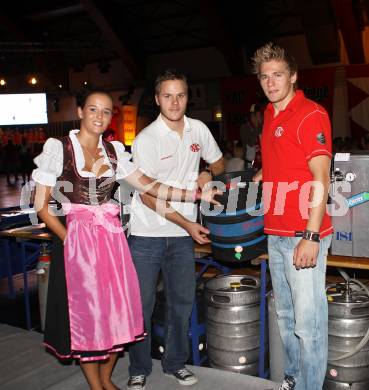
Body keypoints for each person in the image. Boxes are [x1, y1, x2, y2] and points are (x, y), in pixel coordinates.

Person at [32, 89, 220, 390]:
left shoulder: (114, 151)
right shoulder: (61, 147)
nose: (99, 116)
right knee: (88, 314)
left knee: (117, 310)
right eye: (93, 109)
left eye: (106, 111)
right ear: (80, 111)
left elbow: (151, 187)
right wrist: (68, 239)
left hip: (111, 240)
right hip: (79, 241)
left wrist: (196, 194)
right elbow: (41, 205)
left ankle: (107, 379)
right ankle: (96, 386)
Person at [126, 69, 224, 390]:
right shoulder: (147, 140)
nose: (174, 102)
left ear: (187, 96)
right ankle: (139, 367)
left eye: (180, 95)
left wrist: (208, 174)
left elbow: (220, 163)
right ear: (157, 99)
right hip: (147, 235)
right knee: (142, 307)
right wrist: (188, 219)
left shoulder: (198, 130)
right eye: (167, 95)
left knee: (181, 303)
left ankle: (174, 364)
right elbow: (147, 195)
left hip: (183, 236)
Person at [252, 43, 333, 390]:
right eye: (265, 77)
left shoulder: (310, 114)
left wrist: (311, 236)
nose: (271, 83)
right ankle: (294, 378)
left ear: (294, 76)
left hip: (304, 233)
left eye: (278, 75)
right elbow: (283, 160)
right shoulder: (269, 114)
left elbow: (321, 178)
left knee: (308, 324)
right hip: (276, 232)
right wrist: (260, 177)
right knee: (285, 318)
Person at [240, 103, 263, 168]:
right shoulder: (245, 128)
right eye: (258, 116)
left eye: (260, 116)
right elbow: (250, 143)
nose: (260, 119)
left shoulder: (262, 127)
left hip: (262, 162)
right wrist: (257, 127)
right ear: (252, 116)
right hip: (250, 164)